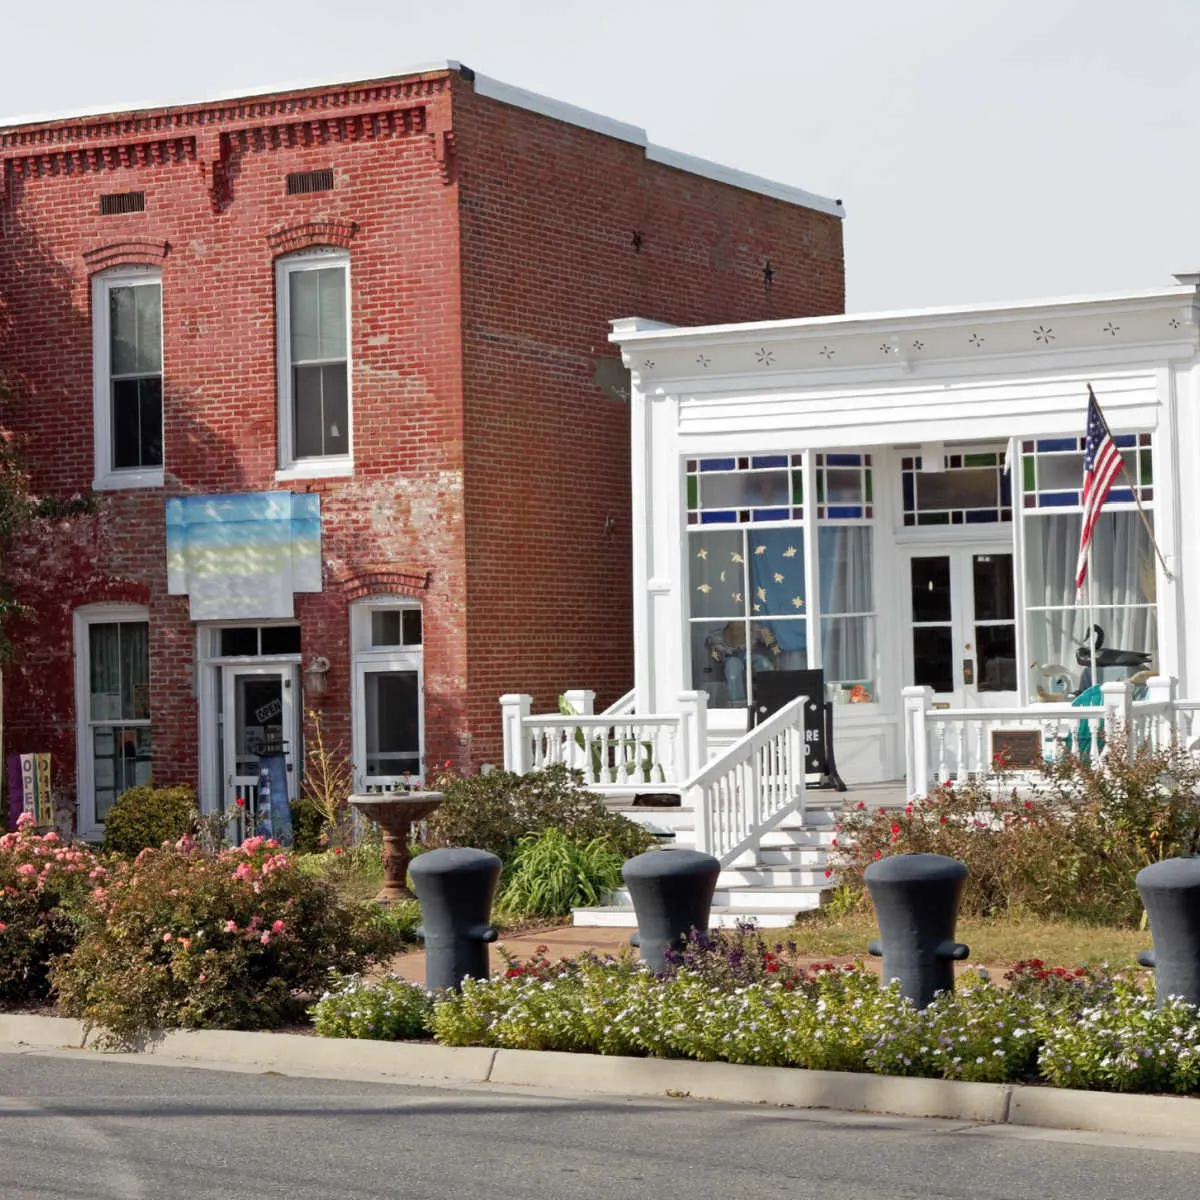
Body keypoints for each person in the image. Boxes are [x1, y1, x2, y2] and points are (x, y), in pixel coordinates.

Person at [705, 620, 779, 704]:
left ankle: (771, 697)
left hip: (750, 655)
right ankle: (737, 703)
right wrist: (718, 650)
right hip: (731, 656)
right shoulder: (717, 637)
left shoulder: (755, 629)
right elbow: (713, 649)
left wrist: (765, 638)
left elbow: (774, 644)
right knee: (734, 667)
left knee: (763, 663)